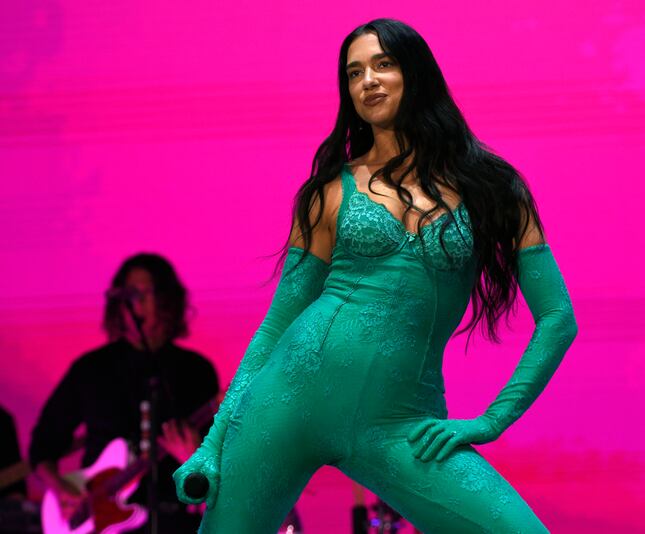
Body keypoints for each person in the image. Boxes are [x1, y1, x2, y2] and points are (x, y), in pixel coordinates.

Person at [174, 18, 578, 533]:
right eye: (354, 72)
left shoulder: (495, 188)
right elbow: (276, 325)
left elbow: (558, 318)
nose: (367, 80)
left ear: (416, 72)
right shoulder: (328, 191)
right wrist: (213, 444)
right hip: (284, 403)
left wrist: (492, 420)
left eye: (383, 64)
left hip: (401, 422)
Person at [29, 253, 219, 533]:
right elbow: (43, 444)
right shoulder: (91, 368)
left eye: (144, 293)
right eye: (128, 295)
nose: (135, 303)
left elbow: (219, 459)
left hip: (174, 519)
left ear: (166, 299)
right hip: (102, 522)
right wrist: (61, 491)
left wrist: (194, 457)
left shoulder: (195, 370)